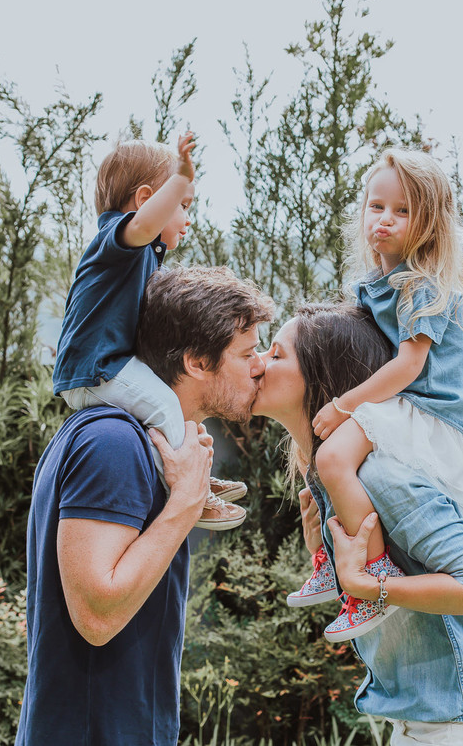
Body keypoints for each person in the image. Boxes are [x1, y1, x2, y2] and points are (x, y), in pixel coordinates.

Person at [253, 303, 463, 746]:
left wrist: (368, 586)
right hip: (423, 721)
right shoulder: (335, 481)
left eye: (276, 354)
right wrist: (326, 554)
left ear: (323, 375)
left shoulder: (382, 475)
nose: (257, 364)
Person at [16, 266, 274, 746]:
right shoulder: (112, 442)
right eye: (246, 353)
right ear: (196, 361)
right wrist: (185, 505)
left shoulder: (133, 442)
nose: (260, 365)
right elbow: (96, 616)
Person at [293, 147, 463, 640]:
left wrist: (343, 405)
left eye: (403, 211)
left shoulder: (422, 286)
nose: (384, 219)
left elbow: (408, 366)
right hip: (398, 400)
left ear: (429, 225)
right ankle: (332, 560)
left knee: (333, 458)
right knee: (321, 460)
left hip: (424, 406)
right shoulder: (372, 284)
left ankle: (374, 572)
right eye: (376, 206)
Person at [51, 133, 247, 530]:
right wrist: (181, 176)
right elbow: (142, 225)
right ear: (145, 200)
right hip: (96, 370)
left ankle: (193, 474)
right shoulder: (118, 240)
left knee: (177, 408)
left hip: (109, 367)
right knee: (165, 408)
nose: (188, 218)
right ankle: (188, 491)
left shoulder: (140, 256)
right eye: (182, 205)